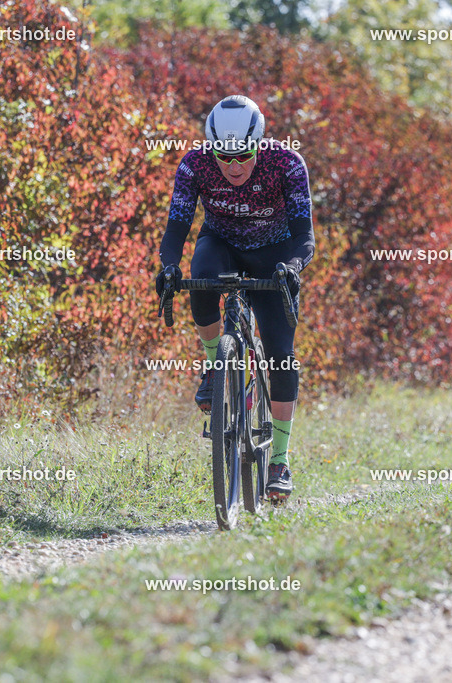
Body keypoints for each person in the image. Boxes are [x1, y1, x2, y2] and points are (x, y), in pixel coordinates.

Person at [154, 95, 314, 501]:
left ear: (259, 143)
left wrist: (292, 268)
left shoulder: (286, 163)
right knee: (199, 278)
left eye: (244, 154)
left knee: (281, 356)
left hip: (275, 254)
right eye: (225, 157)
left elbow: (304, 237)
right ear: (212, 149)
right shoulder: (195, 164)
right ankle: (215, 367)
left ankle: (279, 459)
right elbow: (176, 228)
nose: (235, 165)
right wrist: (168, 266)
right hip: (221, 243)